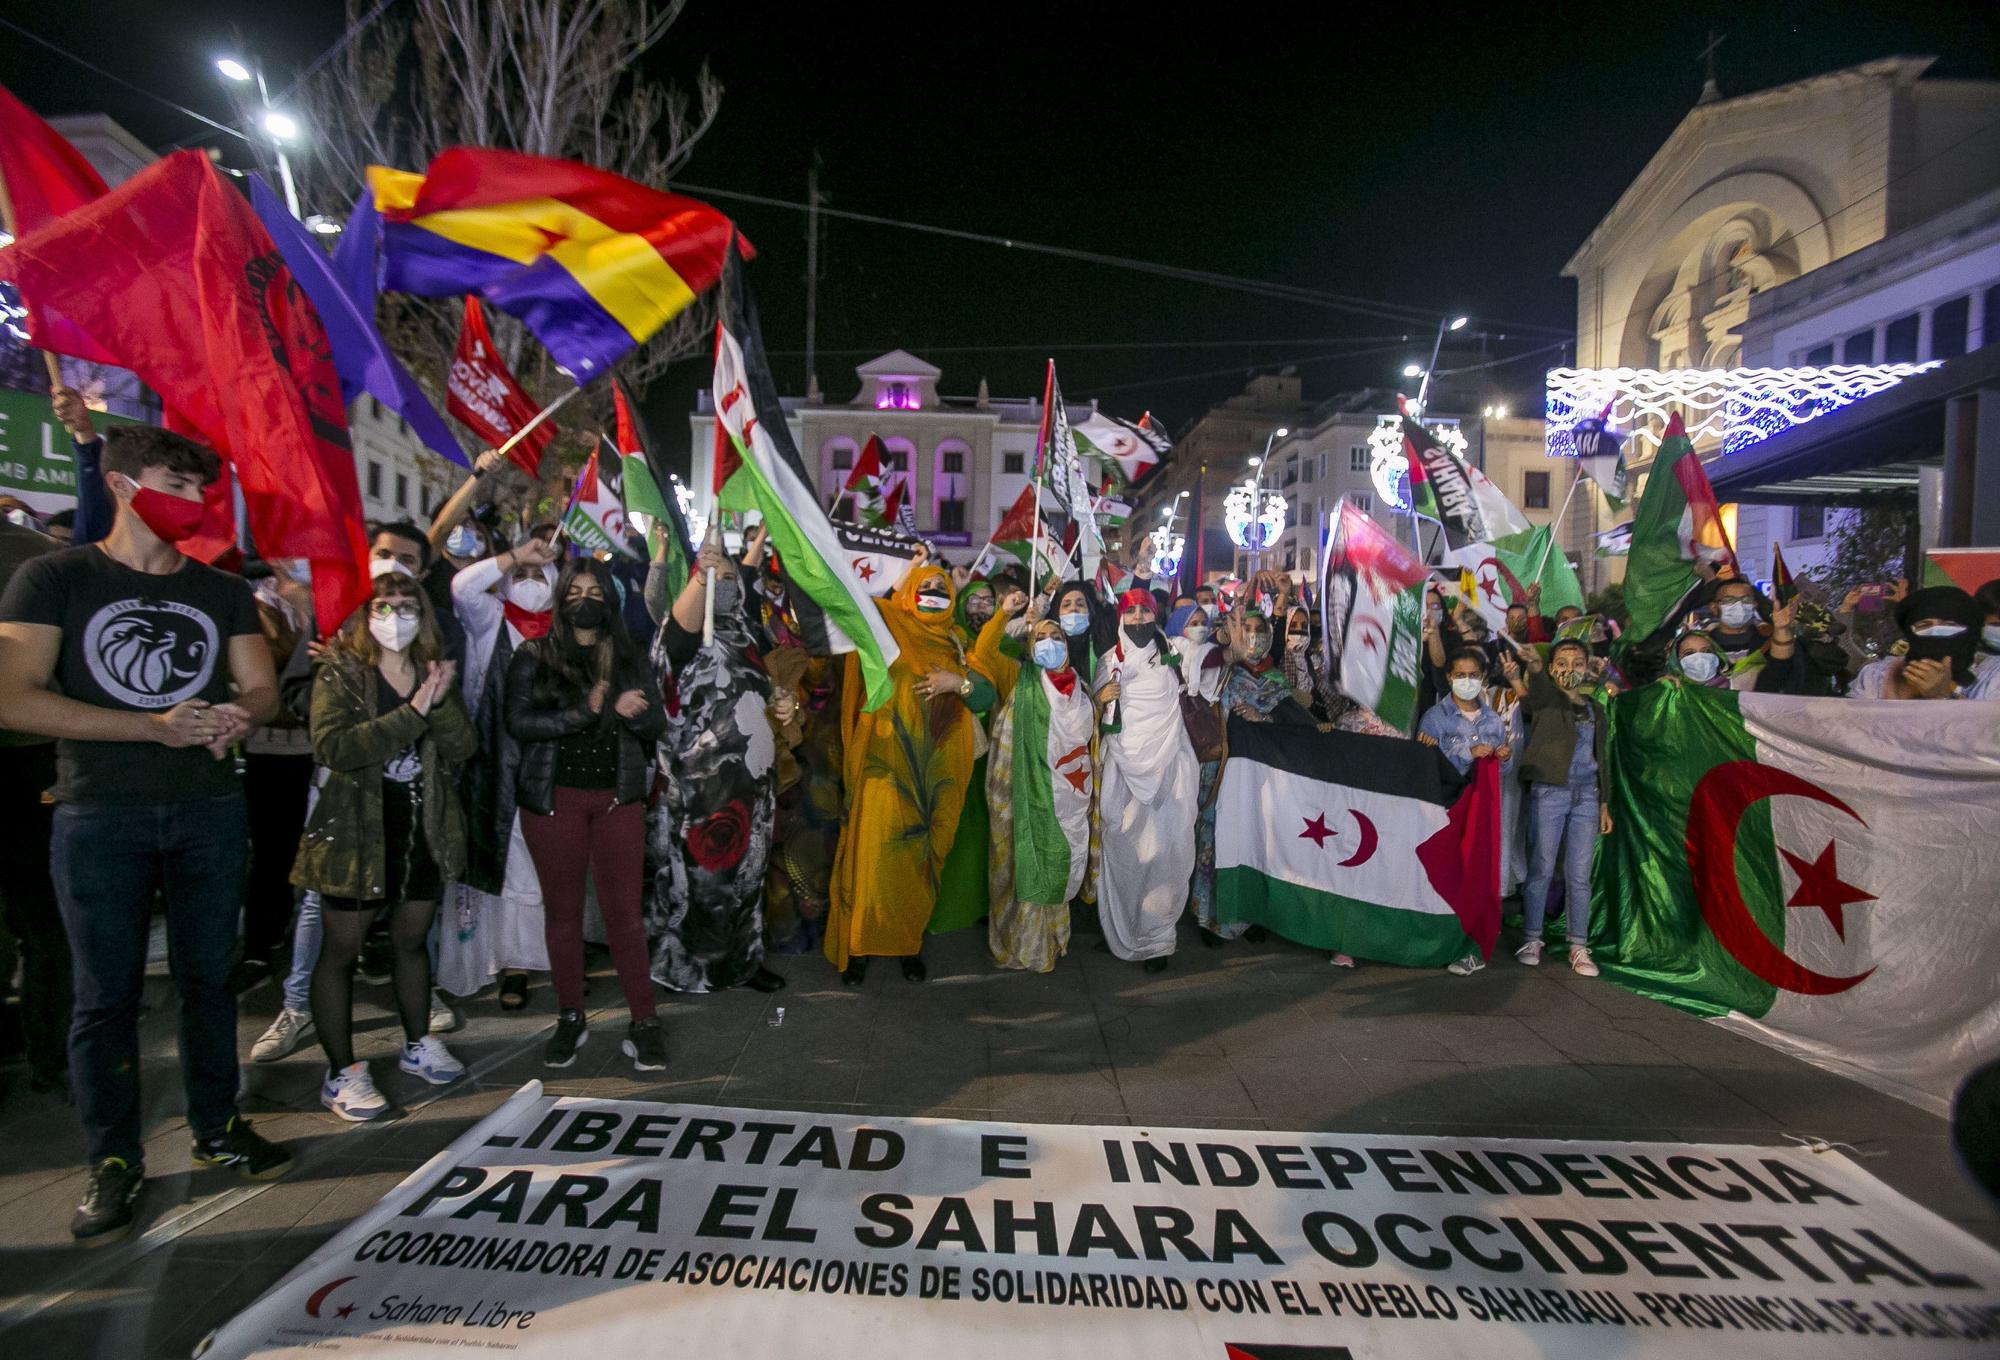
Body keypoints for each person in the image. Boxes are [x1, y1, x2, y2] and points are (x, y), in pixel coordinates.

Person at [0, 424, 292, 1245]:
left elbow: (262, 686)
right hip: (100, 811)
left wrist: (243, 712)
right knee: (105, 997)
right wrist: (149, 727)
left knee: (209, 982)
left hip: (206, 808)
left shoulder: (221, 590)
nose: (196, 501)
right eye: (179, 482)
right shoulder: (52, 578)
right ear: (125, 485)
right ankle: (114, 1159)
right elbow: (13, 697)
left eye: (201, 488)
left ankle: (215, 1127)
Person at [294, 571, 474, 1119]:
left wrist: (437, 702)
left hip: (422, 827)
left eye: (405, 606)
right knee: (342, 950)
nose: (394, 618)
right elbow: (334, 747)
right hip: (355, 834)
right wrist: (413, 711)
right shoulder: (343, 673)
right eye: (382, 607)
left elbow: (463, 746)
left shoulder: (432, 671)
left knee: (412, 940)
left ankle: (417, 1044)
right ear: (364, 615)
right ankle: (342, 1073)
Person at [507, 556, 669, 1070]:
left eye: (595, 591)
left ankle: (644, 1020)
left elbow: (656, 723)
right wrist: (587, 710)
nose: (585, 599)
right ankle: (570, 1015)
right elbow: (519, 723)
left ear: (610, 599)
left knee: (625, 916)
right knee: (564, 914)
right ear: (560, 599)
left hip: (618, 799)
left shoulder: (629, 654)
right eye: (574, 590)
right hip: (554, 802)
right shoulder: (534, 654)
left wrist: (629, 709)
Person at [644, 534, 786, 994]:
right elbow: (681, 630)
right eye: (711, 580)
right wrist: (703, 572)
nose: (721, 585)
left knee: (747, 881)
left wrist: (785, 704)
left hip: (753, 790)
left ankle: (744, 961)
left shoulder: (747, 637)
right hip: (700, 792)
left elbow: (759, 693)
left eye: (728, 579)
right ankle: (688, 969)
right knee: (701, 883)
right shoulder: (682, 635)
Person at [825, 558, 978, 983]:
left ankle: (908, 944)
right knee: (872, 856)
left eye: (941, 588)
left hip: (935, 773)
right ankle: (859, 946)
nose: (933, 593)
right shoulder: (886, 621)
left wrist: (958, 680)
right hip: (884, 763)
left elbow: (978, 691)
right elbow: (850, 603)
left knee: (920, 861)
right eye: (924, 586)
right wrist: (898, 572)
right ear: (908, 590)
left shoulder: (956, 639)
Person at [442, 536, 559, 1010]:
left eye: (539, 577)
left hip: (548, 763)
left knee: (541, 865)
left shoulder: (564, 631)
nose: (530, 585)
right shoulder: (491, 619)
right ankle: (500, 961)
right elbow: (464, 588)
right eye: (522, 577)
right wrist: (514, 557)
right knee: (501, 860)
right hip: (492, 760)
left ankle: (538, 959)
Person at [1093, 586, 1200, 973]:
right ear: (1121, 618)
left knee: (1170, 853)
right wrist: (1100, 697)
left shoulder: (1174, 652)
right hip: (1123, 775)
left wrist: (1226, 642)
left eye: (1145, 611)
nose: (1138, 619)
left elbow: (1209, 660)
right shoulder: (1108, 660)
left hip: (1171, 771)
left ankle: (1158, 939)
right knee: (1124, 853)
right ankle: (1121, 928)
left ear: (1156, 615)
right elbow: (1093, 713)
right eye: (1131, 612)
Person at [0, 515, 70, 1093]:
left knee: (45, 920)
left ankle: (49, 1046)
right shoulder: (45, 559)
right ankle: (52, 1050)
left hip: (34, 756)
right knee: (47, 921)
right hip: (37, 757)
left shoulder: (41, 560)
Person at [1193, 610, 1312, 944]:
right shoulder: (1222, 671)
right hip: (1222, 774)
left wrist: (1267, 720)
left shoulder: (1276, 679)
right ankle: (1212, 918)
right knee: (1215, 843)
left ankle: (1254, 914)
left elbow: (1298, 728)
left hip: (1263, 780)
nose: (1254, 636)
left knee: (1258, 842)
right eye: (1246, 629)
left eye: (1260, 630)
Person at [986, 614, 1095, 971]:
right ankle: (1026, 946)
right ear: (1030, 649)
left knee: (1060, 863)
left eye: (1056, 636)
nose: (1050, 642)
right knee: (1030, 865)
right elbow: (994, 648)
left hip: (1069, 794)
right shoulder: (1025, 680)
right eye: (1041, 637)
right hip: (1028, 794)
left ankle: (1053, 938)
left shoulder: (1080, 686)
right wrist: (1017, 617)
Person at [1506, 641, 1608, 977]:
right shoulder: (1548, 702)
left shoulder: (1596, 708)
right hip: (1550, 792)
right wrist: (1534, 666)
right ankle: (1532, 938)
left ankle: (1579, 945)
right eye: (1562, 663)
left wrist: (1604, 801)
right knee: (1542, 868)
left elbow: (1602, 757)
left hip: (1587, 796)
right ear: (1552, 669)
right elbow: (1537, 689)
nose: (1570, 669)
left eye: (1578, 663)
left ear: (1587, 667)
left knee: (1580, 875)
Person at [1421, 648, 1517, 977]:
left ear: (1483, 679)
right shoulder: (1435, 718)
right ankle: (1441, 941)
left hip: (1480, 813)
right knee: (1444, 875)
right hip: (1447, 809)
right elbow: (1426, 763)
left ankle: (1471, 946)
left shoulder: (1492, 719)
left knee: (1476, 875)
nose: (1466, 681)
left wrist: (1502, 758)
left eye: (1473, 675)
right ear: (1449, 678)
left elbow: (1502, 771)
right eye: (1459, 675)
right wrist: (1466, 751)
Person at [931, 575, 1003, 935]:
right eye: (973, 601)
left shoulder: (1006, 642)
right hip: (952, 748)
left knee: (982, 829)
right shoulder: (949, 640)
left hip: (992, 751)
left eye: (988, 601)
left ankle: (979, 903)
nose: (980, 608)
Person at [1848, 585, 2000, 700]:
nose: (1935, 632)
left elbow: (1988, 736)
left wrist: (1943, 696)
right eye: (1924, 625)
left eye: (1949, 625)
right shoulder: (1875, 676)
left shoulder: (1993, 676)